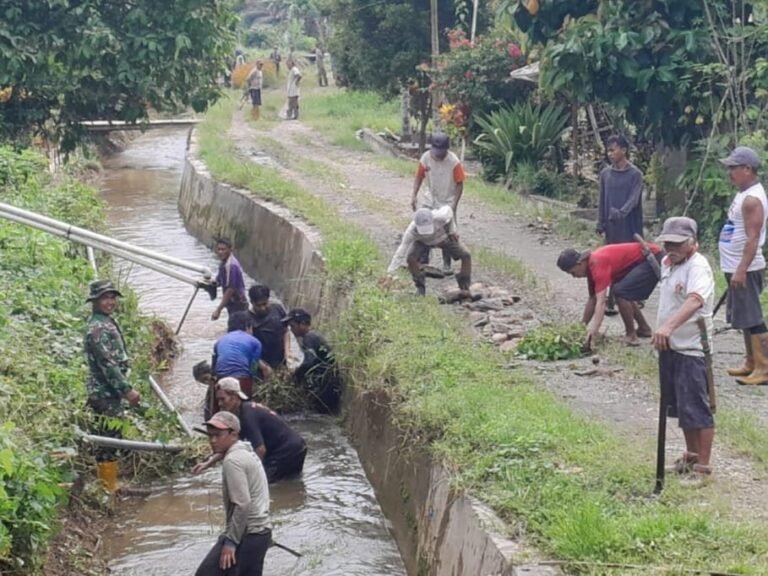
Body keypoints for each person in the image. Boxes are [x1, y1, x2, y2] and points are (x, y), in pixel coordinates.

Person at [652, 216, 715, 485]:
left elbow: (694, 301)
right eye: (667, 243)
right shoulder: (669, 263)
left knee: (698, 408)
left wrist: (668, 326)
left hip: (691, 346)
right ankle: (690, 455)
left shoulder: (698, 267)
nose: (671, 248)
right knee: (679, 406)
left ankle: (703, 467)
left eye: (677, 243)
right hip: (670, 346)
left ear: (691, 244)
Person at [195, 411, 272, 576]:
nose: (213, 440)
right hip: (261, 533)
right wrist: (209, 462)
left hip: (248, 534)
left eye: (218, 435)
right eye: (210, 435)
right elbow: (224, 452)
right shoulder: (246, 449)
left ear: (234, 434)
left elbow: (243, 504)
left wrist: (231, 542)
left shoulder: (233, 461)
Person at [718, 146, 768, 385]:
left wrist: (741, 268)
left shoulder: (752, 199)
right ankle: (751, 361)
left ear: (747, 169)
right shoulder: (742, 194)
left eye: (733, 168)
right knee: (743, 318)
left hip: (745, 267)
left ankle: (764, 367)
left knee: (753, 317)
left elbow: (753, 237)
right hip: (735, 264)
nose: (730, 173)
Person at [83, 279, 141, 486]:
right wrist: (127, 390)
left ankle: (109, 483)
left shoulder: (106, 321)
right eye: (104, 298)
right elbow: (108, 364)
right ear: (95, 301)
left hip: (109, 393)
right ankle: (108, 489)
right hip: (105, 394)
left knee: (110, 437)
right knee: (109, 443)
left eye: (112, 297)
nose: (110, 302)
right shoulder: (97, 329)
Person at [194, 379, 307, 483]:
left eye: (222, 399)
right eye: (218, 400)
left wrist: (251, 473)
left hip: (288, 451)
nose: (219, 404)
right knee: (290, 483)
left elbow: (260, 450)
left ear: (234, 397)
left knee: (262, 485)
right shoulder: (239, 414)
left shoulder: (246, 416)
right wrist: (207, 464)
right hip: (295, 447)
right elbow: (230, 445)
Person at [557, 241, 662, 348]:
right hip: (643, 259)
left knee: (621, 292)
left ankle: (631, 336)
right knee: (624, 291)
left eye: (573, 273)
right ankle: (644, 329)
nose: (574, 277)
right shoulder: (590, 267)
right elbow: (593, 298)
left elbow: (601, 303)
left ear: (579, 263)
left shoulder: (597, 263)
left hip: (652, 257)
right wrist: (580, 327)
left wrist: (593, 331)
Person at [596, 134, 645, 315]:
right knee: (611, 261)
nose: (610, 154)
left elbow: (634, 199)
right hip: (611, 226)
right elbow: (602, 199)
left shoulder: (635, 175)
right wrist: (600, 221)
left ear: (623, 151)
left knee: (631, 262)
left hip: (630, 226)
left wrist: (622, 213)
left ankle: (634, 296)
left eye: (613, 150)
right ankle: (612, 299)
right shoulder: (605, 175)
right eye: (608, 150)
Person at [411, 133, 466, 274]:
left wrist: (453, 205)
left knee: (447, 232)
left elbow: (460, 184)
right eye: (436, 151)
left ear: (446, 149)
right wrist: (414, 195)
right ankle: (423, 260)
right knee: (423, 227)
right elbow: (419, 177)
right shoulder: (426, 158)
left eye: (441, 151)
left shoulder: (454, 162)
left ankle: (447, 264)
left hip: (447, 201)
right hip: (430, 199)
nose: (438, 154)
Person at [388, 206, 472, 296]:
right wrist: (390, 272)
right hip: (422, 242)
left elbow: (450, 211)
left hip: (442, 238)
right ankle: (420, 287)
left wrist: (452, 231)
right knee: (411, 259)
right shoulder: (411, 231)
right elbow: (401, 251)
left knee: (466, 255)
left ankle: (464, 285)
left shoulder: (440, 216)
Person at [282, 308, 342, 413]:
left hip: (327, 384)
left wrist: (296, 375)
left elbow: (309, 361)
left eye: (292, 326)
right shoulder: (312, 336)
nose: (291, 329)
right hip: (329, 381)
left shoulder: (309, 338)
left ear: (303, 324)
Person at [212, 312, 265, 398]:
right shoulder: (255, 342)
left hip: (221, 380)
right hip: (242, 379)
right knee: (244, 404)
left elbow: (214, 365)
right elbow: (253, 368)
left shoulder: (219, 341)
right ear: (248, 327)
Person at [248, 284, 290, 373]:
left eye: (265, 304)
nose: (262, 308)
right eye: (258, 306)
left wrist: (287, 352)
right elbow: (248, 347)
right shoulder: (248, 318)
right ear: (251, 302)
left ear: (268, 299)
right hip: (260, 363)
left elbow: (286, 331)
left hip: (279, 359)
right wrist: (262, 366)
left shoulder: (278, 309)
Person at [212, 237, 248, 321]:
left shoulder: (231, 266)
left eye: (223, 249)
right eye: (219, 249)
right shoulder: (223, 263)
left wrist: (218, 309)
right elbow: (219, 280)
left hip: (238, 303)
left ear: (230, 249)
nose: (220, 252)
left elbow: (230, 289)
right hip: (232, 303)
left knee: (237, 328)